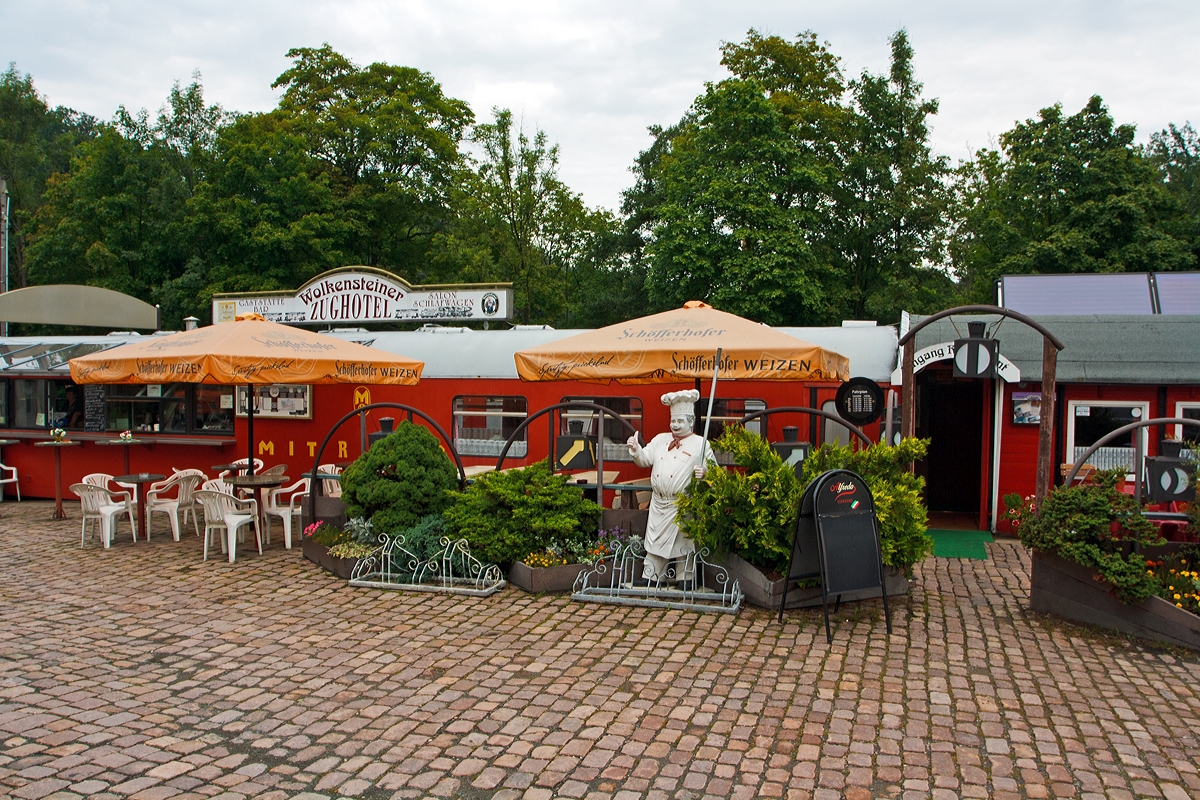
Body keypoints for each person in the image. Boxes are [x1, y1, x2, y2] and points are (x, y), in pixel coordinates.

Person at [626, 389, 716, 587]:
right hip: (659, 503)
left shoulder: (701, 444)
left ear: (691, 422)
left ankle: (686, 577)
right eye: (673, 420)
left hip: (682, 504)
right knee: (655, 542)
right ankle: (652, 575)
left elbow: (715, 473)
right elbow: (644, 459)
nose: (675, 425)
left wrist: (705, 474)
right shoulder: (660, 439)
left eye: (680, 421)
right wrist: (635, 449)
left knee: (683, 543)